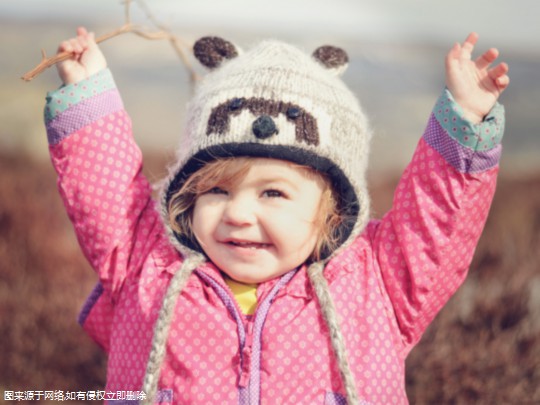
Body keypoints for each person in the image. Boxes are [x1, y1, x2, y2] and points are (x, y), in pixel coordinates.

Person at [44, 27, 509, 404]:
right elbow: (105, 193)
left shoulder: (378, 284)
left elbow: (435, 225)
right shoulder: (146, 264)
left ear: (332, 208)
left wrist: (464, 118)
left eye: (272, 193)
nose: (239, 214)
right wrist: (87, 93)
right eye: (216, 189)